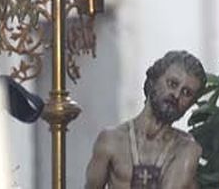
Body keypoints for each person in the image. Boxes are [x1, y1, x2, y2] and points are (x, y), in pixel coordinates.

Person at [84, 51, 206, 189]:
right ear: (153, 81)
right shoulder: (111, 140)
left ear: (191, 103)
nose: (176, 95)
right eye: (172, 84)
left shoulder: (186, 150)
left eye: (186, 93)